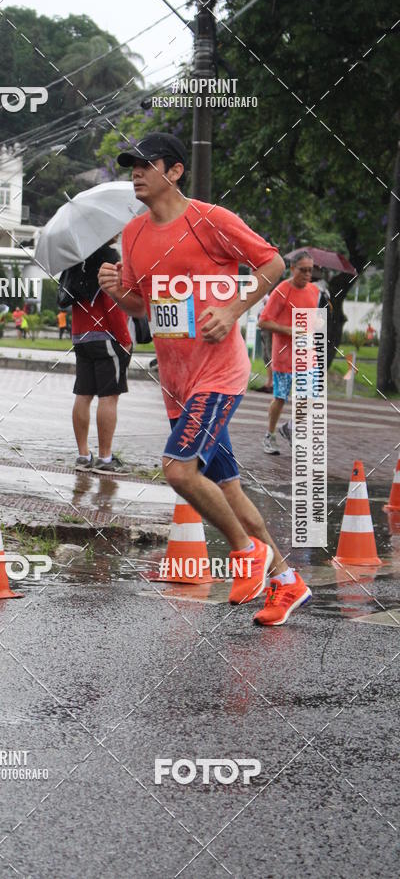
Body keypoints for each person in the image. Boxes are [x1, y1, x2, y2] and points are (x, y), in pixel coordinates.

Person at [99, 131, 312, 626]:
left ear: (173, 171)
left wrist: (235, 308)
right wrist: (115, 291)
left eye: (144, 164)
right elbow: (144, 307)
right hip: (177, 379)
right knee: (229, 488)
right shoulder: (132, 235)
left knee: (178, 470)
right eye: (130, 165)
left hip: (219, 373)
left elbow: (273, 261)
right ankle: (286, 581)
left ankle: (245, 552)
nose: (135, 172)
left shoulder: (210, 220)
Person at [71, 241, 132, 475]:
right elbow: (112, 299)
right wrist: (124, 337)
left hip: (80, 334)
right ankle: (105, 459)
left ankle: (83, 455)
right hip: (106, 334)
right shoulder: (108, 257)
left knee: (83, 394)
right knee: (109, 396)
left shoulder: (77, 256)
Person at [258, 251, 319, 455]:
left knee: (311, 397)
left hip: (306, 355)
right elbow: (263, 321)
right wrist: (289, 330)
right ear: (293, 269)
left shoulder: (314, 291)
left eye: (310, 270)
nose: (307, 274)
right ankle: (270, 434)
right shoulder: (282, 291)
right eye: (303, 270)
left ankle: (290, 427)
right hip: (284, 356)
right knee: (281, 398)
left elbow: (310, 320)